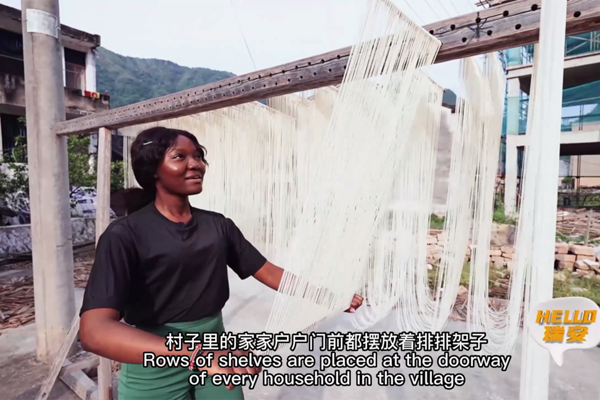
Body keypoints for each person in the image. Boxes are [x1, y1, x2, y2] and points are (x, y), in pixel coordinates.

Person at [79, 126, 364, 400]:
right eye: (180, 157)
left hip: (216, 349)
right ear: (153, 170)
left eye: (198, 156)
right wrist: (199, 354)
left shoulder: (218, 226)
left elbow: (267, 271)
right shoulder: (125, 235)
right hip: (153, 358)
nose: (196, 164)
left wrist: (326, 296)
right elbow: (95, 331)